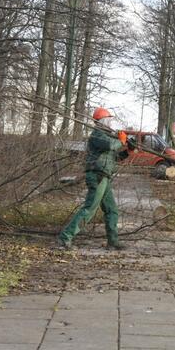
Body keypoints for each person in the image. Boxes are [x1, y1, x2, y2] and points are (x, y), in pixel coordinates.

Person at [57, 107, 134, 250]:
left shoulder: (106, 136)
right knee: (89, 209)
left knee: (111, 210)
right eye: (109, 120)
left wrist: (128, 151)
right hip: (97, 176)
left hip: (104, 177)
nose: (111, 123)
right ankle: (64, 238)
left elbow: (114, 157)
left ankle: (113, 242)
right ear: (102, 121)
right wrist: (122, 141)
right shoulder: (97, 135)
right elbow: (112, 146)